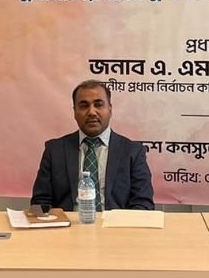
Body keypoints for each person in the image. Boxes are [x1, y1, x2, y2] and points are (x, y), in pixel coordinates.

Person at [30, 80, 154, 211]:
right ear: (74, 111)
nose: (92, 112)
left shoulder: (133, 152)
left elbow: (143, 203)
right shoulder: (55, 151)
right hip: (67, 223)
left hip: (117, 224)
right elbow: (40, 203)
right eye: (84, 106)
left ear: (110, 109)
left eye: (98, 105)